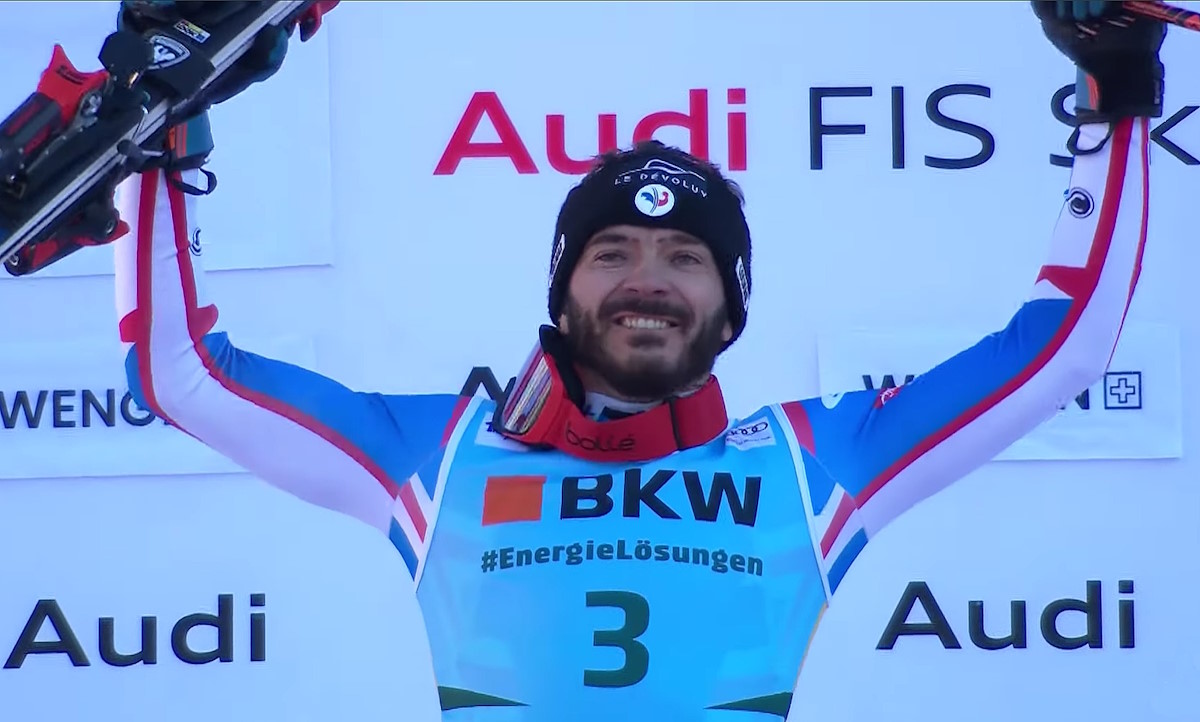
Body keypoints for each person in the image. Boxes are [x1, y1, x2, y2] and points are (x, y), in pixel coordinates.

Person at [67, 0, 1164, 719]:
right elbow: (184, 373)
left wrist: (1114, 92)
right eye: (614, 250)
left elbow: (1063, 347)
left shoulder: (816, 458)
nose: (649, 276)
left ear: (730, 307)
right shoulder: (435, 454)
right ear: (562, 287)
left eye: (686, 256)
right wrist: (160, 143)